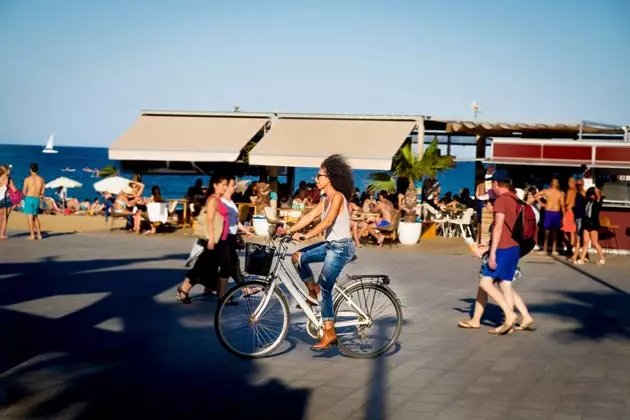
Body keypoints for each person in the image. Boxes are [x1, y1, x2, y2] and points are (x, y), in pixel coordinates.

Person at [281, 154, 355, 352]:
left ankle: (329, 331)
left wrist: (305, 236)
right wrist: (289, 230)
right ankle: (311, 291)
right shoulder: (325, 199)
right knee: (297, 257)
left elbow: (327, 221)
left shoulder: (338, 197)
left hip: (341, 247)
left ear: (328, 178)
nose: (316, 179)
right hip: (330, 245)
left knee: (326, 287)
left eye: (319, 175)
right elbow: (309, 216)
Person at [457, 173, 522, 334]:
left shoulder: (501, 200)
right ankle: (508, 324)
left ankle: (509, 314)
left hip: (503, 248)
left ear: (495, 183)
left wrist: (491, 252)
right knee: (505, 284)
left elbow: (498, 227)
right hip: (514, 248)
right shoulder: (515, 199)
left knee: (485, 283)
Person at [177, 174, 230, 304]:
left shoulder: (219, 199)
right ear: (215, 185)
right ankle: (186, 289)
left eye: (226, 185)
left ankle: (204, 288)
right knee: (203, 266)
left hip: (220, 239)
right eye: (222, 184)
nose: (224, 187)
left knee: (205, 266)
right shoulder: (213, 200)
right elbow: (210, 220)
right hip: (213, 240)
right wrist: (211, 238)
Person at [221, 176, 254, 292]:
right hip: (224, 238)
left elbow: (235, 220)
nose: (234, 187)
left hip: (231, 238)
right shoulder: (221, 202)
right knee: (226, 266)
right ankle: (221, 294)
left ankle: (245, 289)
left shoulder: (230, 202)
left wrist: (245, 231)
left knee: (233, 264)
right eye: (232, 185)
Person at [535, 178, 565, 255]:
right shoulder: (559, 193)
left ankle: (547, 249)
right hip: (555, 212)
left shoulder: (547, 191)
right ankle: (553, 250)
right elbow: (562, 205)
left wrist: (541, 203)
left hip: (549, 211)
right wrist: (564, 216)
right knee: (552, 232)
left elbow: (536, 195)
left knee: (548, 232)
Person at [577, 187, 606, 265]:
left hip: (594, 224)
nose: (591, 196)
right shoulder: (588, 201)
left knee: (594, 243)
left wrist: (596, 190)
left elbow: (599, 195)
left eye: (592, 195)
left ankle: (602, 258)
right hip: (586, 223)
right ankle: (582, 258)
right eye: (590, 195)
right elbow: (583, 193)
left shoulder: (598, 202)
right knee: (585, 242)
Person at [23, 163, 45, 240]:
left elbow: (24, 191)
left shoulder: (27, 179)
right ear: (37, 170)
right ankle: (39, 235)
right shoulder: (41, 179)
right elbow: (42, 191)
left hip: (29, 198)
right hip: (37, 198)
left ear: (30, 170)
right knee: (35, 217)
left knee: (30, 217)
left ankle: (32, 235)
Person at [0, 165, 19, 239]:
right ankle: (2, 234)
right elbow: (14, 190)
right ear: (6, 171)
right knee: (4, 218)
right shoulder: (9, 179)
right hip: (6, 200)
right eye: (9, 169)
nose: (10, 171)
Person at [563, 177, 578, 256]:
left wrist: (562, 201)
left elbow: (567, 202)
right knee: (572, 232)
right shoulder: (576, 191)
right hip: (574, 212)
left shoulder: (570, 190)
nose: (568, 183)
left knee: (567, 232)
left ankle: (570, 248)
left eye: (569, 181)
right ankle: (571, 248)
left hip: (568, 212)